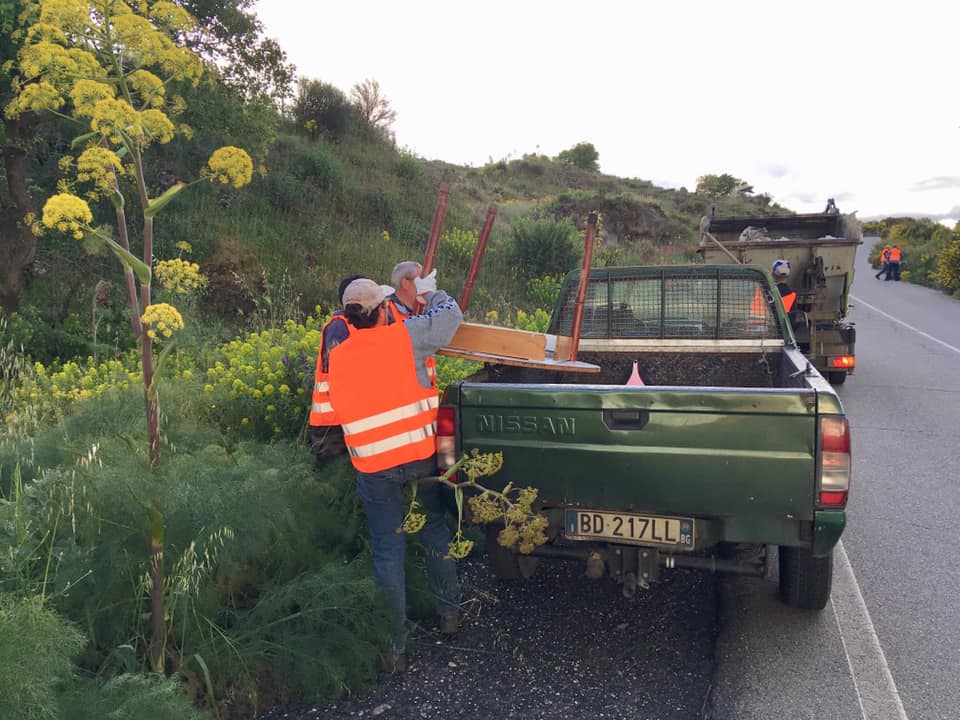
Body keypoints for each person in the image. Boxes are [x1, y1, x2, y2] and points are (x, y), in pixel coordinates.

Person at [327, 274, 463, 673]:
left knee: (388, 551)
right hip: (419, 457)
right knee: (433, 530)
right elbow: (451, 315)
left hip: (374, 468)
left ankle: (394, 649)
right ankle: (449, 615)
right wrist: (429, 291)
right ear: (384, 310)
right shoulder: (405, 336)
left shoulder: (339, 355)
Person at [308, 274, 366, 465]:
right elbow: (342, 371)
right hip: (332, 421)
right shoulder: (339, 326)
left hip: (344, 416)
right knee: (332, 474)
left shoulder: (355, 324)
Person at [772, 259, 800, 328]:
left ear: (772, 274)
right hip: (785, 329)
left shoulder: (768, 291)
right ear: (787, 276)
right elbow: (792, 319)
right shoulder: (792, 295)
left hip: (771, 328)